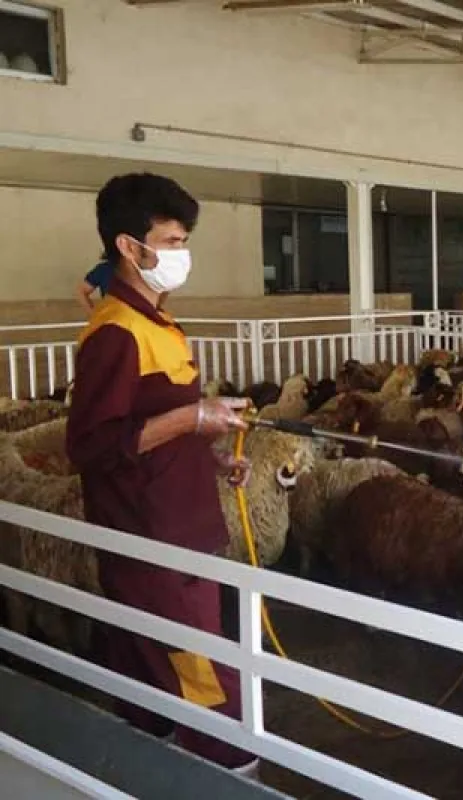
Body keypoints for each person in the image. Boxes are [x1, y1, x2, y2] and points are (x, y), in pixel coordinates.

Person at [65, 173, 259, 777]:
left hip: (180, 533)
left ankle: (145, 776)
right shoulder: (115, 334)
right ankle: (231, 783)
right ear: (130, 247)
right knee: (210, 690)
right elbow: (92, 446)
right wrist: (192, 418)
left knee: (149, 679)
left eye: (183, 241)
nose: (181, 254)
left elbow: (152, 427)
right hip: (154, 548)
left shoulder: (158, 324)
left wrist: (208, 453)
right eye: (172, 242)